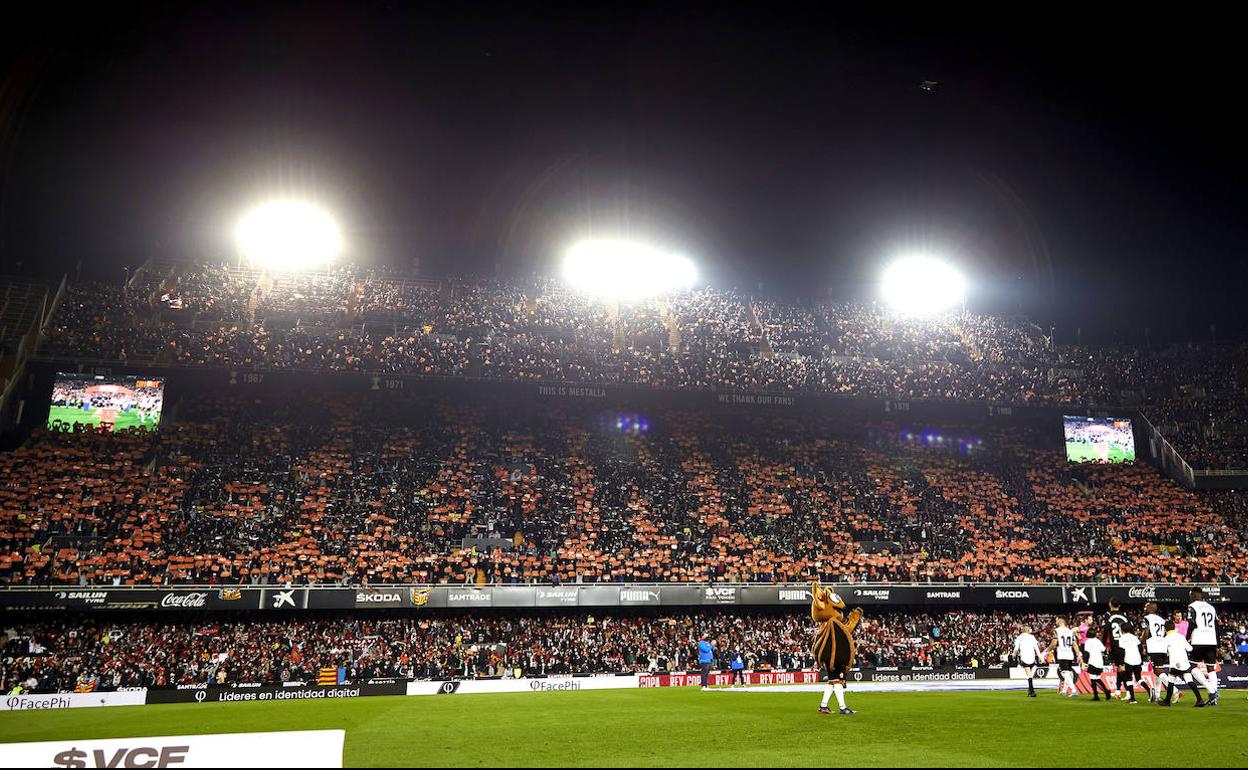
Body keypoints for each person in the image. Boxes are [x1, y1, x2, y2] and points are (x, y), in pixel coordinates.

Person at [811, 579, 861, 716]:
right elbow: (843, 633)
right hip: (835, 658)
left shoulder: (824, 625)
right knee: (838, 682)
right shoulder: (832, 623)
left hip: (829, 659)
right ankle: (843, 707)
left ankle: (823, 706)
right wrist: (852, 623)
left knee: (831, 682)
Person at [1186, 588, 1221, 706]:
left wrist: (1186, 638)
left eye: (1191, 595)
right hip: (1212, 641)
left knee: (1191, 667)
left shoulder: (1192, 606)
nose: (1190, 597)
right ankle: (1214, 699)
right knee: (1211, 668)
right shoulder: (1211, 607)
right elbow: (1216, 627)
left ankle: (1211, 691)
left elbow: (1192, 624)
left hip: (1199, 640)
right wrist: (1218, 644)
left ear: (1194, 595)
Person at [1160, 619, 1204, 708]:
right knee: (1189, 680)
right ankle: (1200, 699)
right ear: (1174, 627)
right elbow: (1189, 649)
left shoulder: (1166, 638)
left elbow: (1163, 651)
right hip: (1184, 662)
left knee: (1171, 681)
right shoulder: (1180, 636)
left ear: (1165, 629)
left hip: (1174, 662)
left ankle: (1167, 701)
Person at [1043, 616, 1080, 698]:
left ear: (1060, 620)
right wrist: (1078, 654)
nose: (1055, 621)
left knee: (1064, 672)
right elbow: (1074, 644)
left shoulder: (1056, 631)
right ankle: (1064, 690)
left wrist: (1047, 651)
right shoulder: (1070, 631)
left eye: (1056, 619)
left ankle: (1074, 690)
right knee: (1069, 672)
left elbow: (1054, 643)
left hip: (1062, 653)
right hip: (1070, 654)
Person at [1143, 602, 1169, 703]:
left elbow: (1146, 632)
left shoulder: (1147, 618)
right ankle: (1157, 694)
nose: (1145, 608)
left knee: (1158, 671)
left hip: (1154, 646)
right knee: (1157, 671)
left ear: (1150, 608)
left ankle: (1174, 690)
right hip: (1162, 646)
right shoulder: (1162, 620)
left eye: (1146, 606)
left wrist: (1142, 643)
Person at [1012, 624, 1043, 698]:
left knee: (1028, 675)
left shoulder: (1019, 637)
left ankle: (1032, 691)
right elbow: (1036, 648)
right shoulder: (1032, 637)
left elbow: (1016, 649)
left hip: (1024, 657)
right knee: (1030, 675)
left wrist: (1013, 656)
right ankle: (1030, 690)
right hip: (1032, 657)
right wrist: (1040, 657)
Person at [1082, 625, 1112, 702]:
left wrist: (1085, 663)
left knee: (1093, 679)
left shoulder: (1087, 642)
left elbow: (1086, 653)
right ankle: (1106, 691)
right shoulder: (1098, 641)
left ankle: (1096, 696)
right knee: (1097, 678)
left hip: (1092, 662)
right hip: (1099, 662)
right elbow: (1103, 649)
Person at [1118, 625, 1144, 704]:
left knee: (1128, 679)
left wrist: (1121, 663)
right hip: (1137, 660)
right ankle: (1150, 690)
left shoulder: (1122, 638)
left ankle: (1132, 699)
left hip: (1128, 660)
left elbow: (1121, 650)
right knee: (1139, 678)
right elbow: (1140, 647)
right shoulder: (1134, 637)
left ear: (1122, 630)